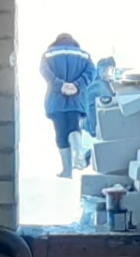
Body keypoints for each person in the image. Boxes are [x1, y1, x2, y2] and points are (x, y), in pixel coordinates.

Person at [40, 33, 97, 178]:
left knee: (61, 133)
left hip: (56, 99)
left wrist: (60, 85)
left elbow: (44, 72)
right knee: (74, 126)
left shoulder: (48, 54)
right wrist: (77, 85)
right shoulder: (84, 55)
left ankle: (67, 170)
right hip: (76, 100)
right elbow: (92, 72)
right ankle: (78, 151)